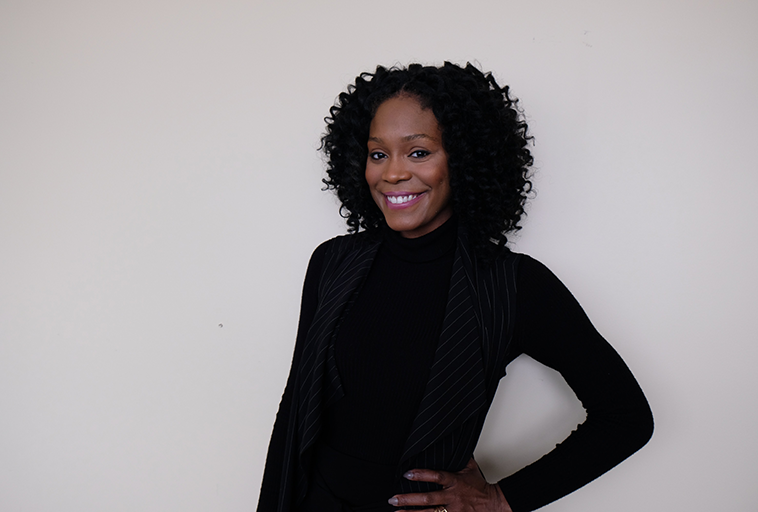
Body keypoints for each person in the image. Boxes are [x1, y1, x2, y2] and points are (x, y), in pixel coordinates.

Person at [257, 62, 653, 512]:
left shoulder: (513, 284)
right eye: (378, 154)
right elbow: (296, 407)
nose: (392, 174)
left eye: (418, 152)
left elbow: (626, 418)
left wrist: (502, 500)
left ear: (463, 158)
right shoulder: (332, 262)